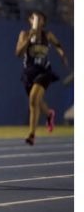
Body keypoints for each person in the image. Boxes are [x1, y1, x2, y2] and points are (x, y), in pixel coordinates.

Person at [15, 11, 69, 145]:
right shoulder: (24, 34)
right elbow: (18, 53)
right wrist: (29, 39)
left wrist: (62, 54)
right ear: (30, 20)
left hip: (44, 71)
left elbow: (57, 44)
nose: (37, 21)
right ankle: (49, 114)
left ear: (44, 22)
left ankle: (31, 135)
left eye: (40, 19)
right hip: (29, 73)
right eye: (34, 18)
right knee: (36, 101)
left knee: (33, 99)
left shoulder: (48, 35)